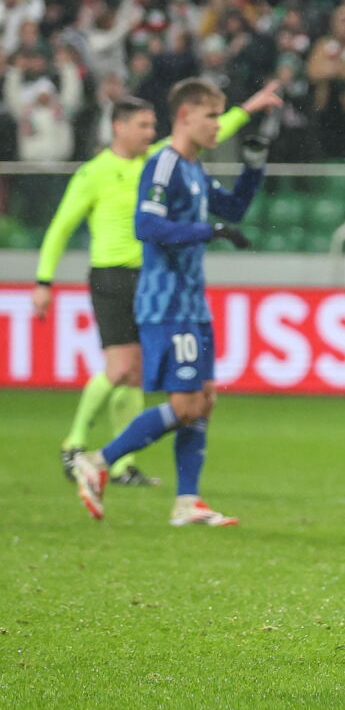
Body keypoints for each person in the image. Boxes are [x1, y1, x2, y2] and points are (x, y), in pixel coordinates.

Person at [35, 83, 279, 485]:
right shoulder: (96, 172)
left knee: (137, 376)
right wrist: (43, 280)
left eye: (153, 125)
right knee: (123, 367)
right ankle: (76, 444)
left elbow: (205, 127)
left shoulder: (163, 160)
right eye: (143, 126)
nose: (151, 133)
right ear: (118, 127)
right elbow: (62, 228)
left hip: (152, 275)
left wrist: (248, 110)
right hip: (114, 274)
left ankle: (121, 466)